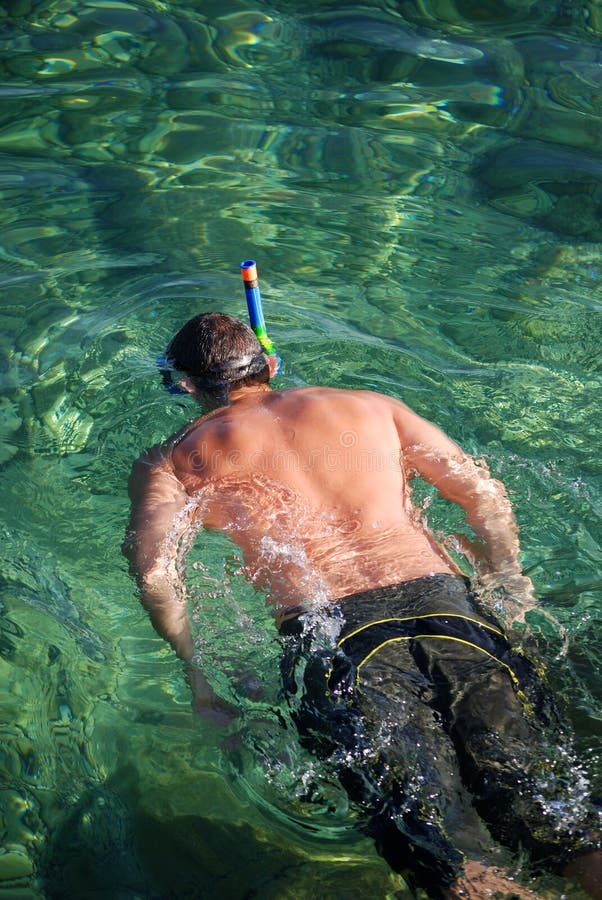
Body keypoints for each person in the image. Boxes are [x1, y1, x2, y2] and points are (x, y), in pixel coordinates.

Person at [124, 312, 601, 898]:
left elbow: (155, 574)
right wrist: (509, 581)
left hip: (336, 636)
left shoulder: (172, 459)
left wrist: (199, 680)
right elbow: (481, 492)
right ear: (270, 364)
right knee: (560, 818)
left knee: (447, 850)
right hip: (450, 607)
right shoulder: (373, 406)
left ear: (185, 386)